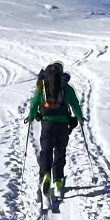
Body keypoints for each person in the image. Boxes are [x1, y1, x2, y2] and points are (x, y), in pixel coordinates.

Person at [26, 61, 83, 202]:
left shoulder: (42, 86)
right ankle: (57, 181)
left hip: (47, 123)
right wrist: (79, 118)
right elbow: (74, 103)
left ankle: (45, 176)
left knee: (46, 151)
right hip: (62, 124)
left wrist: (31, 115)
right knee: (60, 151)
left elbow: (34, 102)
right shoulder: (66, 87)